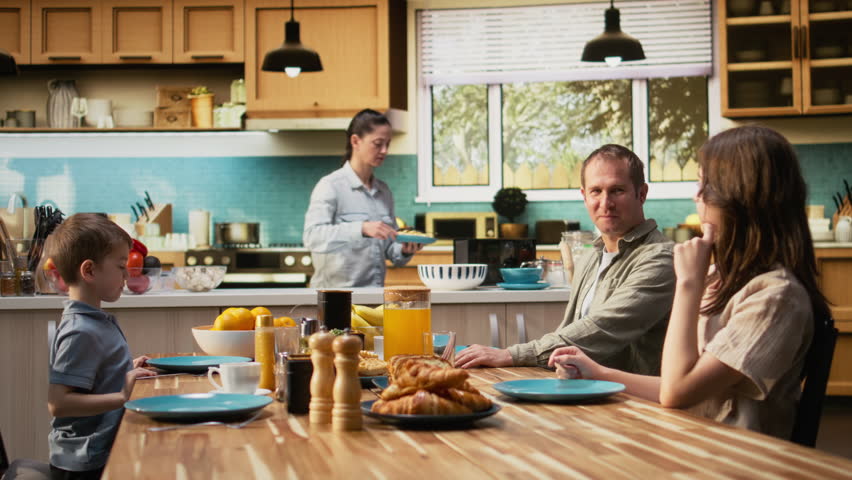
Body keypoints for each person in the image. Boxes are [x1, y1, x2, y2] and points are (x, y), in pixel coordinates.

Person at [549, 126, 830, 439]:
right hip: (686, 439)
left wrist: (688, 285)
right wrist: (599, 374)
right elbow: (678, 385)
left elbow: (677, 391)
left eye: (704, 184)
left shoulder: (776, 297)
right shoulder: (723, 280)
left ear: (740, 197)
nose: (696, 195)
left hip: (733, 459)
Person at [456, 144, 675, 374]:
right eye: (596, 191)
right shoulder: (592, 256)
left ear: (641, 194)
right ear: (584, 196)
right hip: (586, 392)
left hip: (635, 403)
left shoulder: (660, 257)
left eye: (617, 190)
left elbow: (602, 328)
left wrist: (511, 354)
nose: (605, 203)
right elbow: (569, 330)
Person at [47, 213, 155, 479]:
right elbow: (58, 403)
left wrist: (123, 371)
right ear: (90, 271)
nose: (126, 275)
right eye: (120, 267)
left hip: (95, 452)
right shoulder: (80, 331)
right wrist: (122, 395)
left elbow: (91, 378)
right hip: (84, 463)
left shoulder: (94, 321)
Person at [303, 109, 422, 288]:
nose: (384, 151)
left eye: (388, 144)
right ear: (355, 141)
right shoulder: (330, 186)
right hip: (336, 299)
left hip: (374, 296)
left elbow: (390, 250)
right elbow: (312, 237)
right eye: (378, 143)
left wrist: (404, 250)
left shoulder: (384, 192)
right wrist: (361, 228)